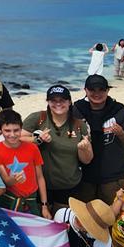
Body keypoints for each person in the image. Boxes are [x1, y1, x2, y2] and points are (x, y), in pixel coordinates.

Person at [22, 86, 93, 214]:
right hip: (39, 185)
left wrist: (84, 149)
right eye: (53, 100)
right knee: (42, 226)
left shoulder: (79, 125)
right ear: (48, 102)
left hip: (69, 185)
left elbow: (87, 160)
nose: (58, 103)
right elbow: (16, 139)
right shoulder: (38, 118)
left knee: (63, 225)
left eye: (62, 100)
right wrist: (37, 139)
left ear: (69, 102)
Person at [74, 75, 124, 205]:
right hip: (84, 176)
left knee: (113, 218)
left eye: (101, 89)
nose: (97, 93)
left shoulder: (120, 111)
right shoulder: (77, 110)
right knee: (86, 218)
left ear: (108, 91)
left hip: (114, 177)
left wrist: (121, 133)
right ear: (85, 90)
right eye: (92, 90)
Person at [0, 109, 50, 218]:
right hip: (8, 202)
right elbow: (7, 181)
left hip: (31, 201)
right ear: (0, 129)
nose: (12, 135)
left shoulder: (33, 148)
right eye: (7, 131)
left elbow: (40, 177)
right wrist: (15, 179)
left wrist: (44, 206)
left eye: (16, 130)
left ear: (21, 128)